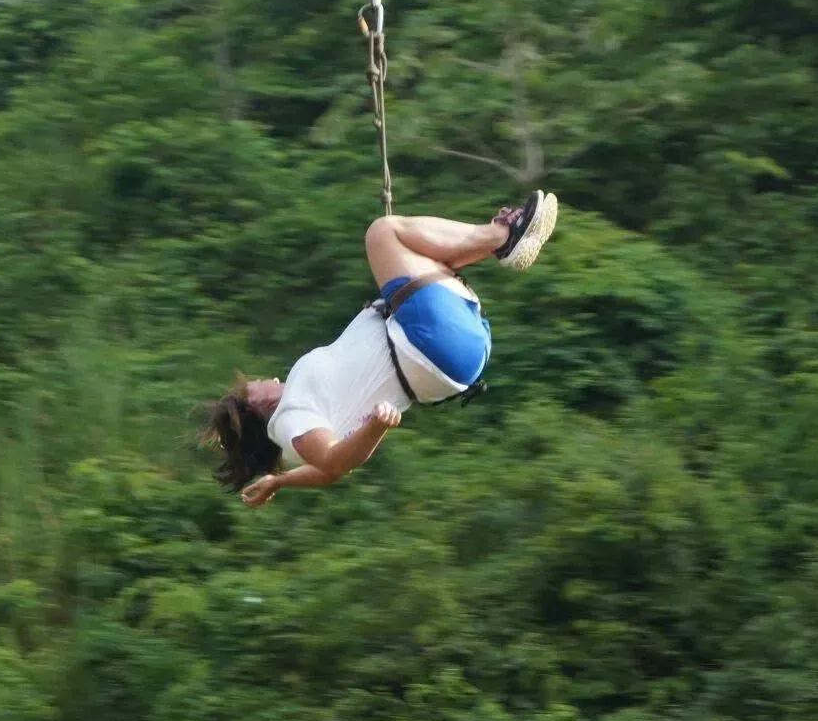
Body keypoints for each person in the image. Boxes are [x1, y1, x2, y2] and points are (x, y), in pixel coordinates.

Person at [200, 189, 559, 507]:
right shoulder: (289, 417)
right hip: (430, 341)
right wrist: (375, 427)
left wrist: (280, 480)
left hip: (456, 355)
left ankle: (504, 238)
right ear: (256, 405)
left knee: (425, 252)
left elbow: (327, 472)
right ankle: (503, 234)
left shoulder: (297, 433)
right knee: (383, 232)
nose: (270, 378)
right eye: (257, 384)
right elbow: (334, 461)